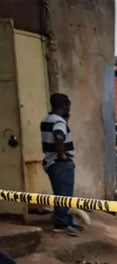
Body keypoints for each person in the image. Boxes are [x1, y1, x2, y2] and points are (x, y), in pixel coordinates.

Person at [41, 93, 79, 236]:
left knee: (60, 193)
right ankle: (62, 223)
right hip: (60, 163)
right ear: (64, 106)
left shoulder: (46, 120)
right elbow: (58, 136)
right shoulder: (59, 122)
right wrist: (62, 156)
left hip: (50, 161)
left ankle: (65, 219)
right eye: (68, 105)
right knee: (64, 194)